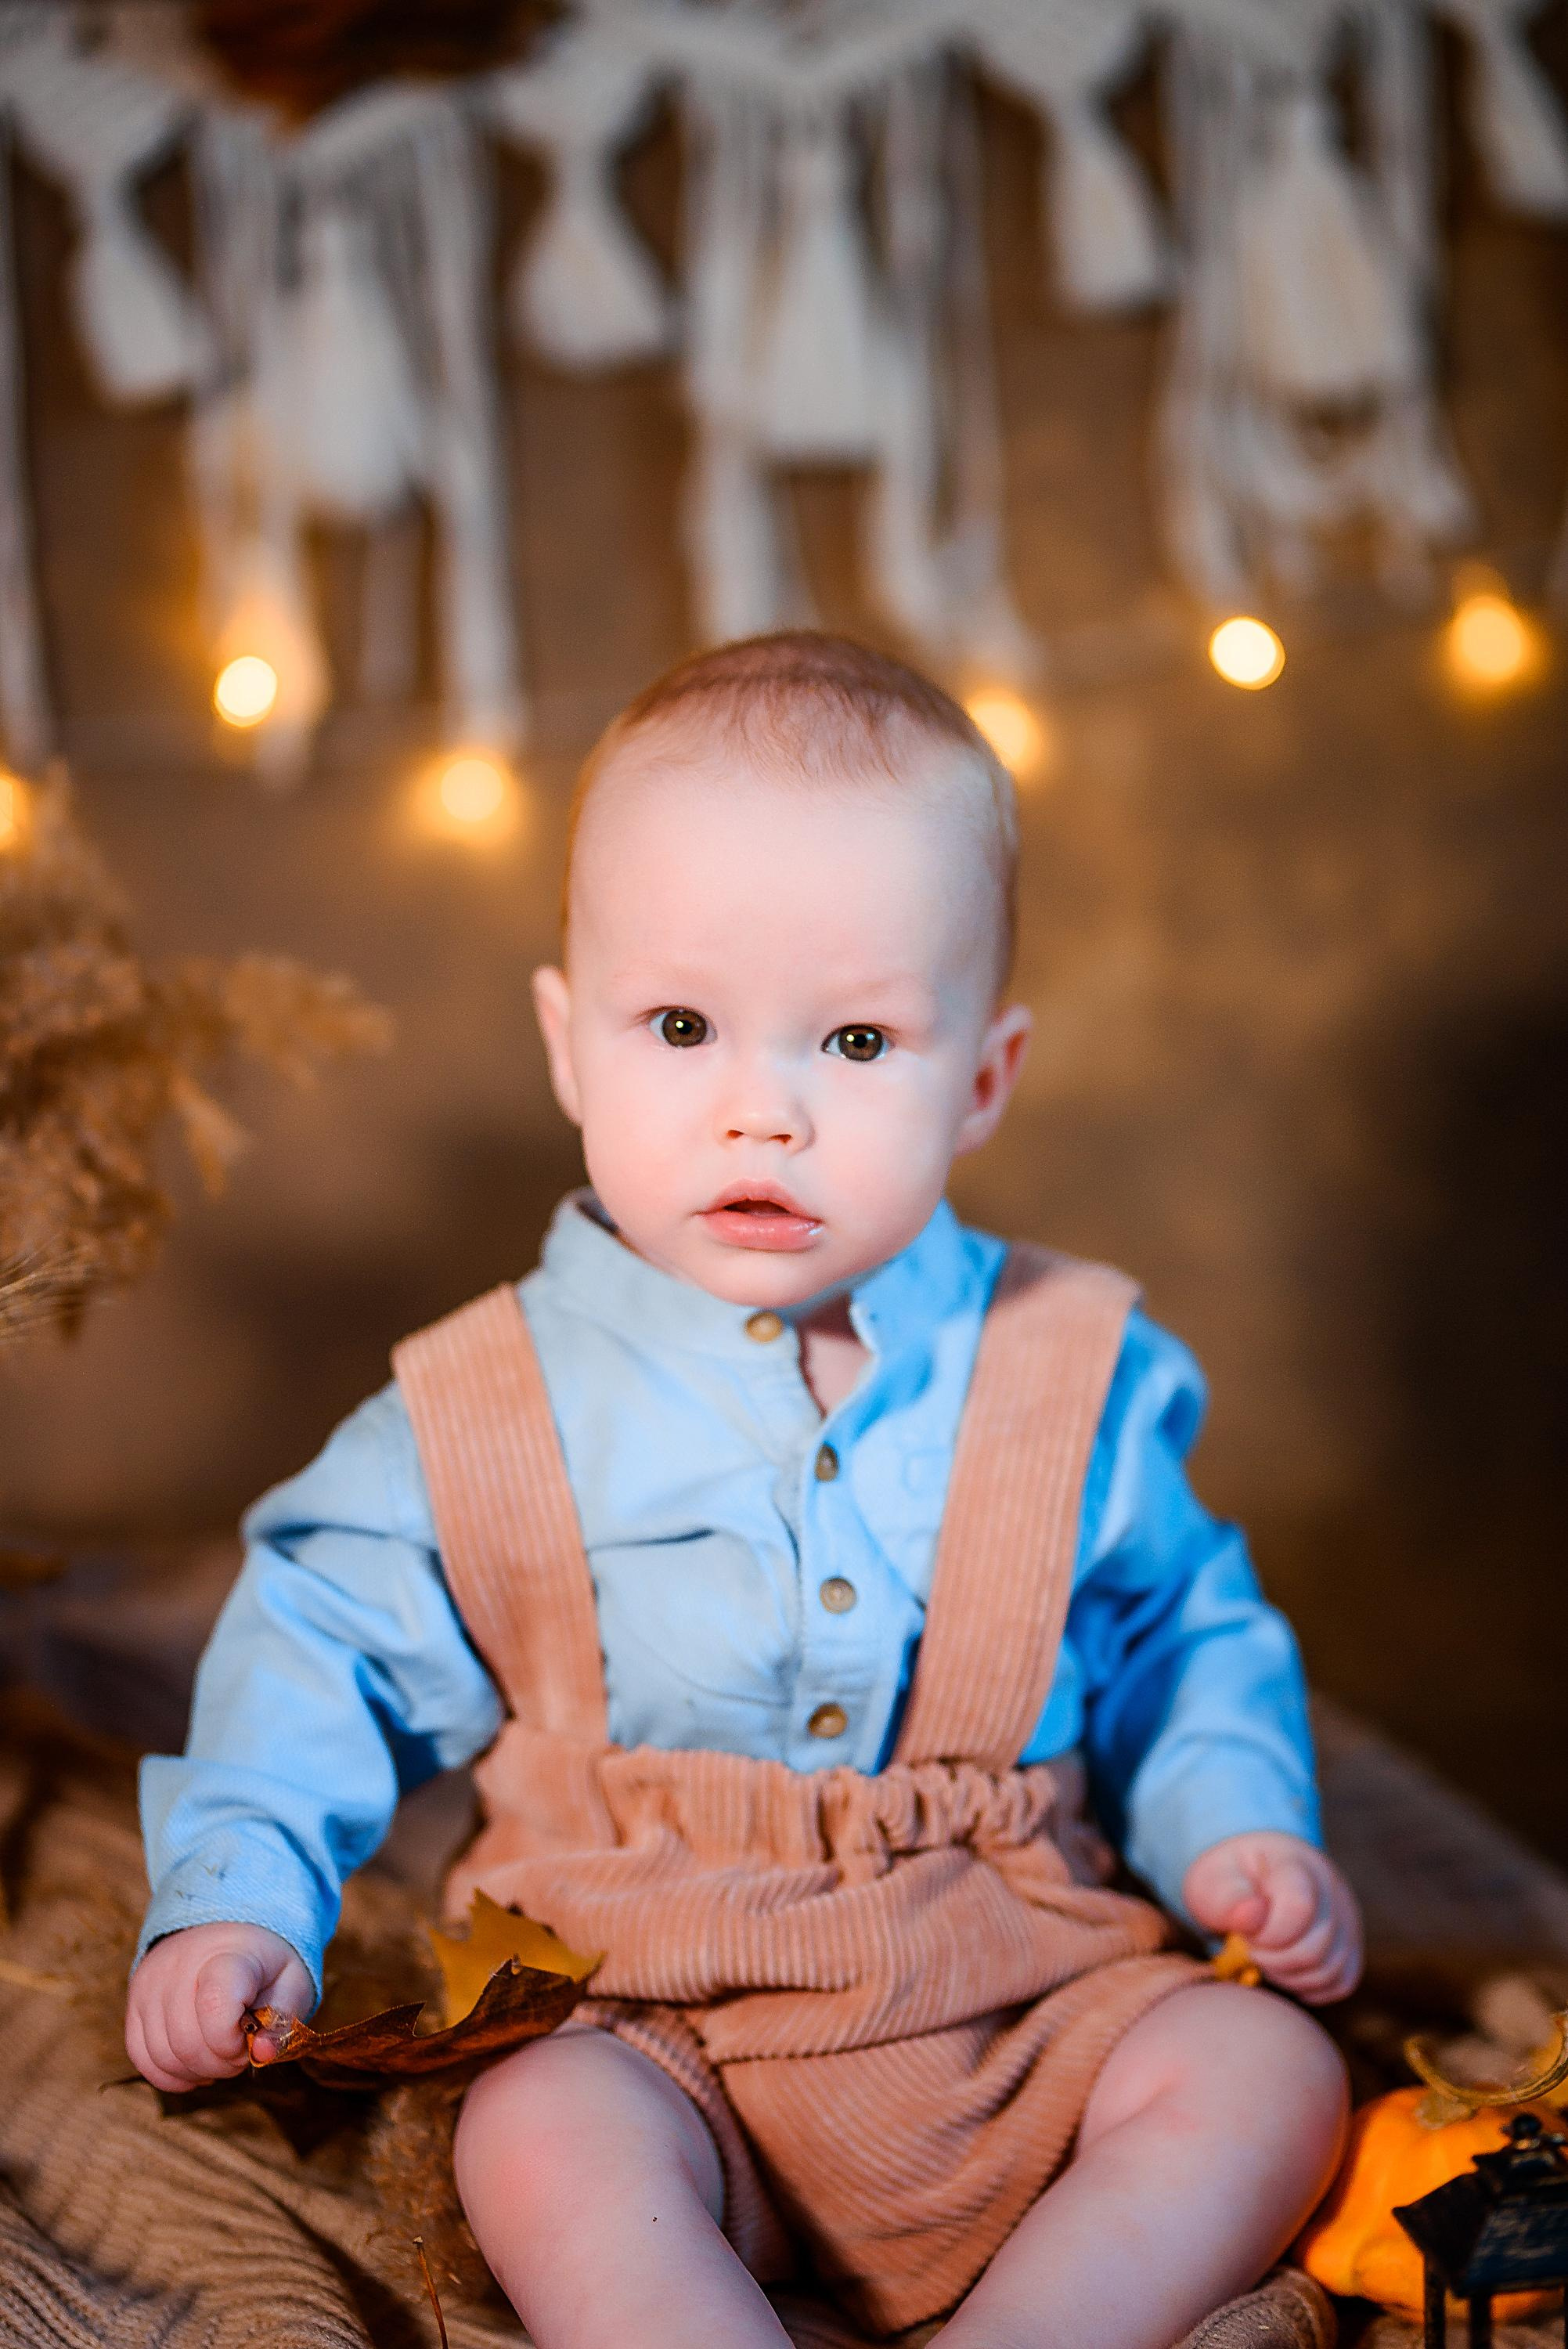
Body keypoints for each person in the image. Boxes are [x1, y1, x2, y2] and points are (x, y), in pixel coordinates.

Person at [126, 633, 1361, 2349]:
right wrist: (241, 1897)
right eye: (682, 1026)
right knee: (537, 2134)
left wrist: (1239, 1830)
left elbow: (1177, 1633)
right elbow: (316, 1651)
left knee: (1263, 2070)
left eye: (855, 1039)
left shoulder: (1068, 1369)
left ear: (983, 1079)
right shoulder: (485, 1406)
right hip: (643, 2012)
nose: (760, 1112)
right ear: (571, 1046)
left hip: (1016, 1988)